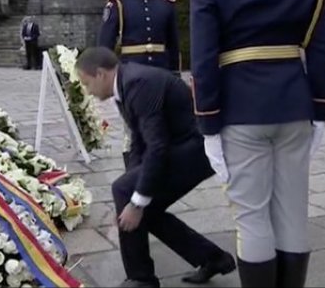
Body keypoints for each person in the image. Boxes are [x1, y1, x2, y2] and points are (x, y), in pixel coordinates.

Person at [188, 0, 325, 288]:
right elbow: (322, 50)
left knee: (252, 216)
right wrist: (322, 113)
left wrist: (208, 124)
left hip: (241, 111)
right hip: (294, 108)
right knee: (292, 213)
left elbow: (203, 60)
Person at [75, 47, 236, 288]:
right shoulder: (126, 84)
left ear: (100, 74)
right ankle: (213, 259)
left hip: (197, 150)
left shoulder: (139, 84)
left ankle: (141, 279)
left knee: (125, 191)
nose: (87, 91)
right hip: (180, 147)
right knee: (140, 207)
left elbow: (156, 147)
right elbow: (140, 140)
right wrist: (133, 197)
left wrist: (135, 200)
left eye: (87, 84)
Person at [98, 0, 182, 165]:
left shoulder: (166, 3)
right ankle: (133, 176)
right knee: (134, 133)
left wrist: (176, 78)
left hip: (161, 79)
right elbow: (104, 45)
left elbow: (173, 45)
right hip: (131, 79)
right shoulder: (119, 3)